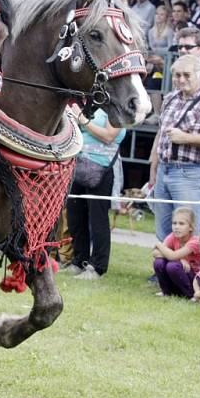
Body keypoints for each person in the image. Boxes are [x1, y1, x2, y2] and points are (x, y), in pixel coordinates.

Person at [149, 54, 200, 240]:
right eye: (177, 75)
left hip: (190, 172)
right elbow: (161, 133)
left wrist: (186, 138)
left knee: (188, 228)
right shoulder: (171, 98)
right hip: (164, 169)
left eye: (186, 75)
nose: (181, 79)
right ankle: (163, 268)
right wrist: (154, 166)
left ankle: (188, 269)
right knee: (163, 226)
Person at [66, 103, 126, 280]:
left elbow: (109, 136)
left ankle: (97, 266)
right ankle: (79, 261)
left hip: (102, 169)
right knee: (75, 217)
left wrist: (83, 120)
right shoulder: (91, 105)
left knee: (97, 219)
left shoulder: (116, 108)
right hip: (78, 166)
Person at [153, 207, 200, 298]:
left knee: (173, 265)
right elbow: (155, 253)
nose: (176, 227)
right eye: (174, 223)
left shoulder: (195, 242)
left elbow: (172, 256)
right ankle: (167, 292)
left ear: (191, 227)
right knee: (158, 262)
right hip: (179, 276)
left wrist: (159, 244)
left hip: (195, 281)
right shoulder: (173, 236)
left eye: (181, 224)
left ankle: (191, 295)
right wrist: (180, 259)